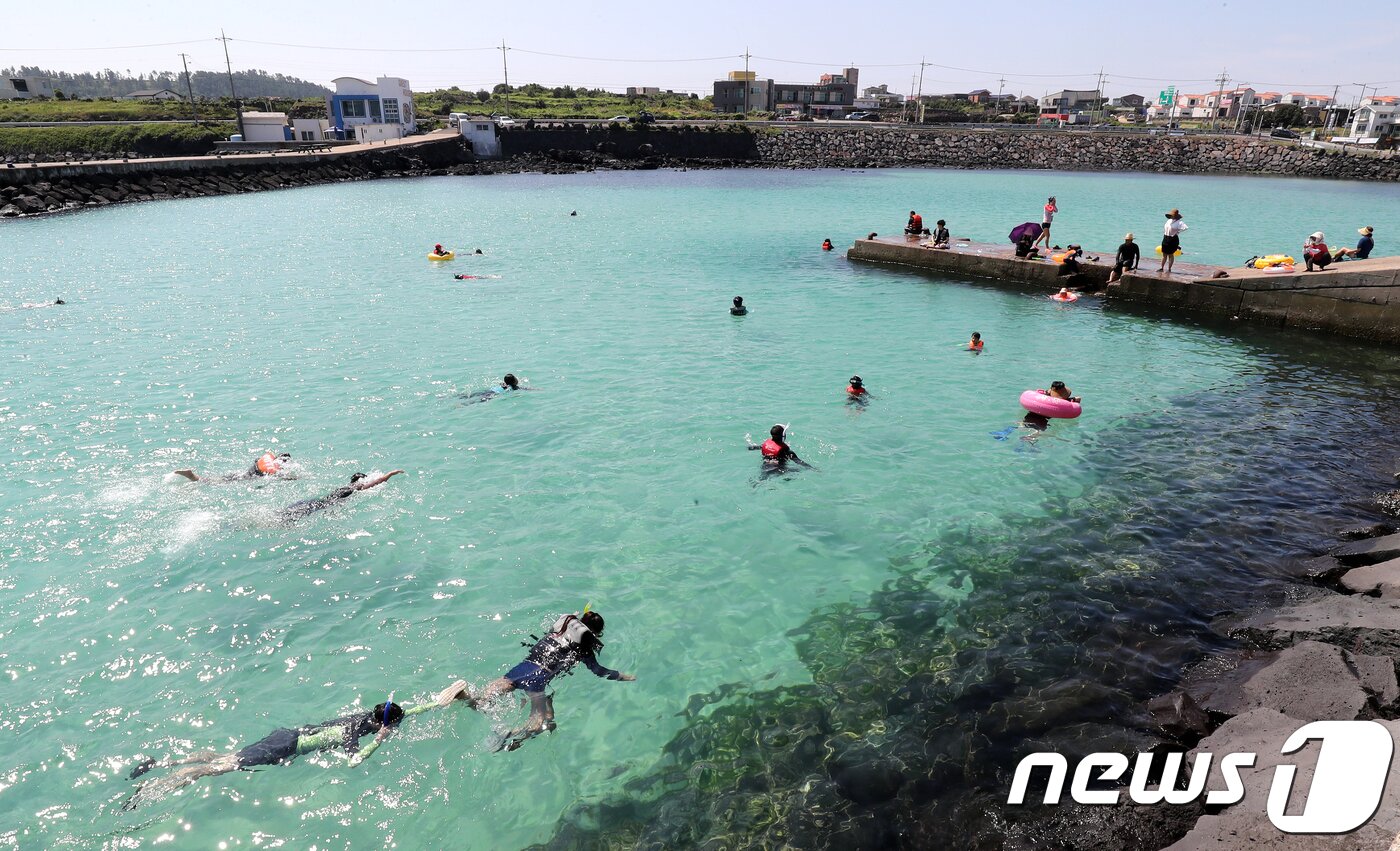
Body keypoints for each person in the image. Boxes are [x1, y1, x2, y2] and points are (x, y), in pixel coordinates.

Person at [123, 698, 431, 809]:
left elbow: (407, 710)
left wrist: (438, 704)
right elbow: (353, 761)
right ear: (382, 724)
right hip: (286, 747)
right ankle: (153, 788)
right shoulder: (353, 733)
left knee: (226, 754)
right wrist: (379, 741)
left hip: (289, 734)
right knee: (216, 768)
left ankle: (163, 762)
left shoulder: (365, 716)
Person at [435, 608, 634, 752]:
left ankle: (464, 696)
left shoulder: (561, 627)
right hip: (540, 676)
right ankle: (507, 734)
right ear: (595, 633)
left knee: (482, 701)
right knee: (541, 723)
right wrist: (623, 676)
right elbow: (598, 671)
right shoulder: (584, 647)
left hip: (525, 666)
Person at [279, 470, 404, 522]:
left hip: (320, 501)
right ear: (361, 481)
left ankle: (281, 517)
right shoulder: (357, 487)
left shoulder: (346, 486)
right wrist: (390, 474)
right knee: (295, 516)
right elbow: (377, 482)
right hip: (325, 505)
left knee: (295, 510)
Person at [175, 451, 292, 483]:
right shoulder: (273, 469)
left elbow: (256, 461)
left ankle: (195, 477)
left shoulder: (266, 458)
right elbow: (280, 476)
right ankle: (194, 478)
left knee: (222, 479)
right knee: (218, 482)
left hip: (245, 472)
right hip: (247, 478)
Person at [747, 424, 813, 471]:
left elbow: (752, 448)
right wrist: (812, 468)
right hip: (778, 469)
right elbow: (798, 462)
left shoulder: (765, 444)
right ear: (783, 436)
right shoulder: (785, 451)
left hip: (764, 467)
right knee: (798, 470)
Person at [463, 373, 535, 403]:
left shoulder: (503, 384)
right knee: (478, 401)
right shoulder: (514, 387)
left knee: (471, 395)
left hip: (489, 390)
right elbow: (525, 389)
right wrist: (536, 389)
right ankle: (464, 405)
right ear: (514, 381)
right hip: (493, 394)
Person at [1159, 210, 1187, 275]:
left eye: (1172, 215)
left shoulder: (1179, 222)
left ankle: (1169, 269)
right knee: (1164, 254)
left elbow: (1185, 228)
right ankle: (1162, 268)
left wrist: (1177, 232)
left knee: (1170, 255)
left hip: (1173, 238)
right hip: (1166, 237)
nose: (1171, 216)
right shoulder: (1169, 221)